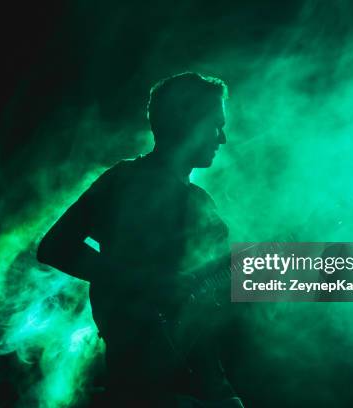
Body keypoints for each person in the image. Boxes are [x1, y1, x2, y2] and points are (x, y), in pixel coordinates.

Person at [37, 72, 243, 407]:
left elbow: (216, 285)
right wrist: (148, 281)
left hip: (204, 376)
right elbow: (54, 247)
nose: (223, 138)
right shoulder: (124, 181)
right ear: (186, 121)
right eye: (215, 125)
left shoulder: (201, 200)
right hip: (149, 384)